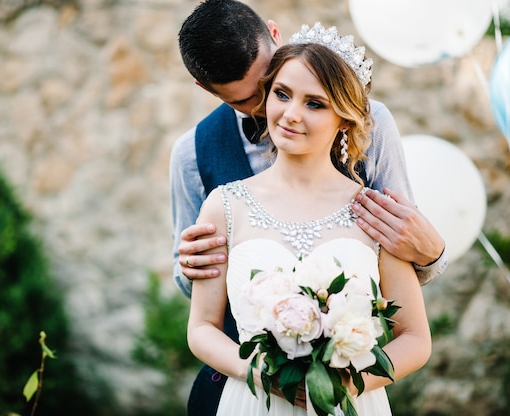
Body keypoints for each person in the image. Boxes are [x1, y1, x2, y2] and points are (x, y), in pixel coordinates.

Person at [170, 3, 445, 413]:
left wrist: (432, 253)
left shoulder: (373, 132)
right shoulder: (197, 161)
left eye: (271, 84)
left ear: (277, 39)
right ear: (207, 89)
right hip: (242, 382)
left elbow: (402, 247)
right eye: (256, 99)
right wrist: (189, 267)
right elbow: (199, 300)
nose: (279, 113)